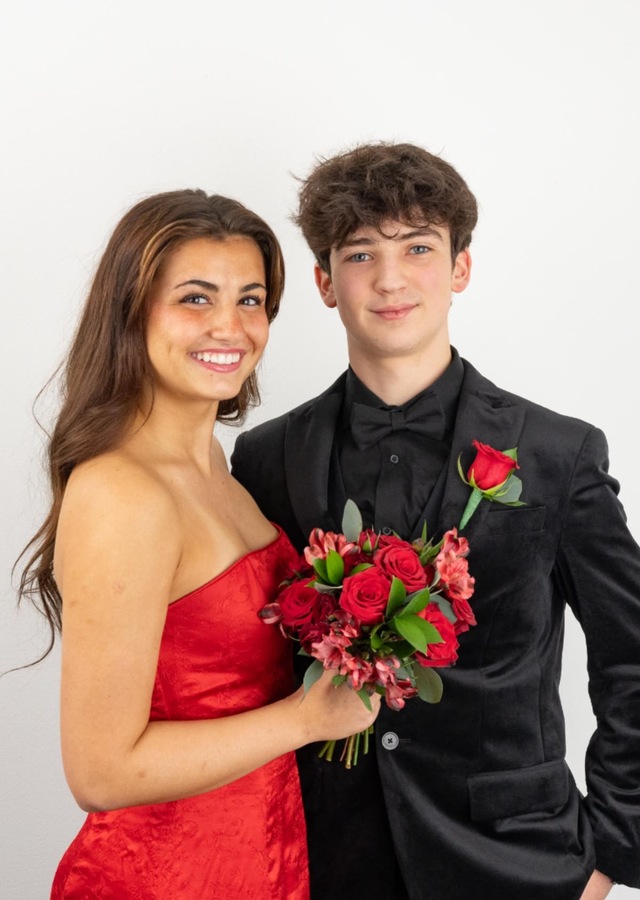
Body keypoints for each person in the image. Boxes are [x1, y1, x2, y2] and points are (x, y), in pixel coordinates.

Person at [230, 142, 640, 900]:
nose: (390, 280)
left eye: (418, 248)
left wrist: (611, 852)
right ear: (324, 281)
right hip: (324, 861)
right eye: (359, 255)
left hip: (522, 861)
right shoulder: (263, 458)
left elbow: (631, 658)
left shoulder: (558, 453)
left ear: (460, 269)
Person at [17, 189, 380, 899]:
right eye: (194, 298)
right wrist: (307, 719)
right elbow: (100, 772)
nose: (230, 326)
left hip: (265, 858)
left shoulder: (221, 465)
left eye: (251, 299)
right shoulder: (124, 491)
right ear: (131, 312)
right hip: (162, 877)